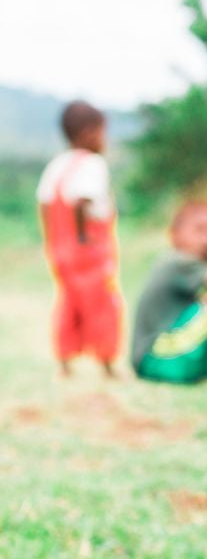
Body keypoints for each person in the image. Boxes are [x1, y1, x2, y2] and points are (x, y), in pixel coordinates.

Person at [36, 100, 122, 377]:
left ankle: (64, 364)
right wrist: (85, 238)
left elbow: (45, 204)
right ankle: (107, 364)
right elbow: (81, 201)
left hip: (61, 250)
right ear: (88, 133)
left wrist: (51, 242)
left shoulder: (56, 165)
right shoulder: (92, 164)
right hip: (88, 249)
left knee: (69, 302)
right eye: (101, 132)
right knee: (103, 304)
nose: (104, 140)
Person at [130, 202, 207, 384]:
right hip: (157, 360)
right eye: (199, 230)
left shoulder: (180, 262)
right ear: (175, 235)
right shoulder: (179, 262)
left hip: (157, 359)